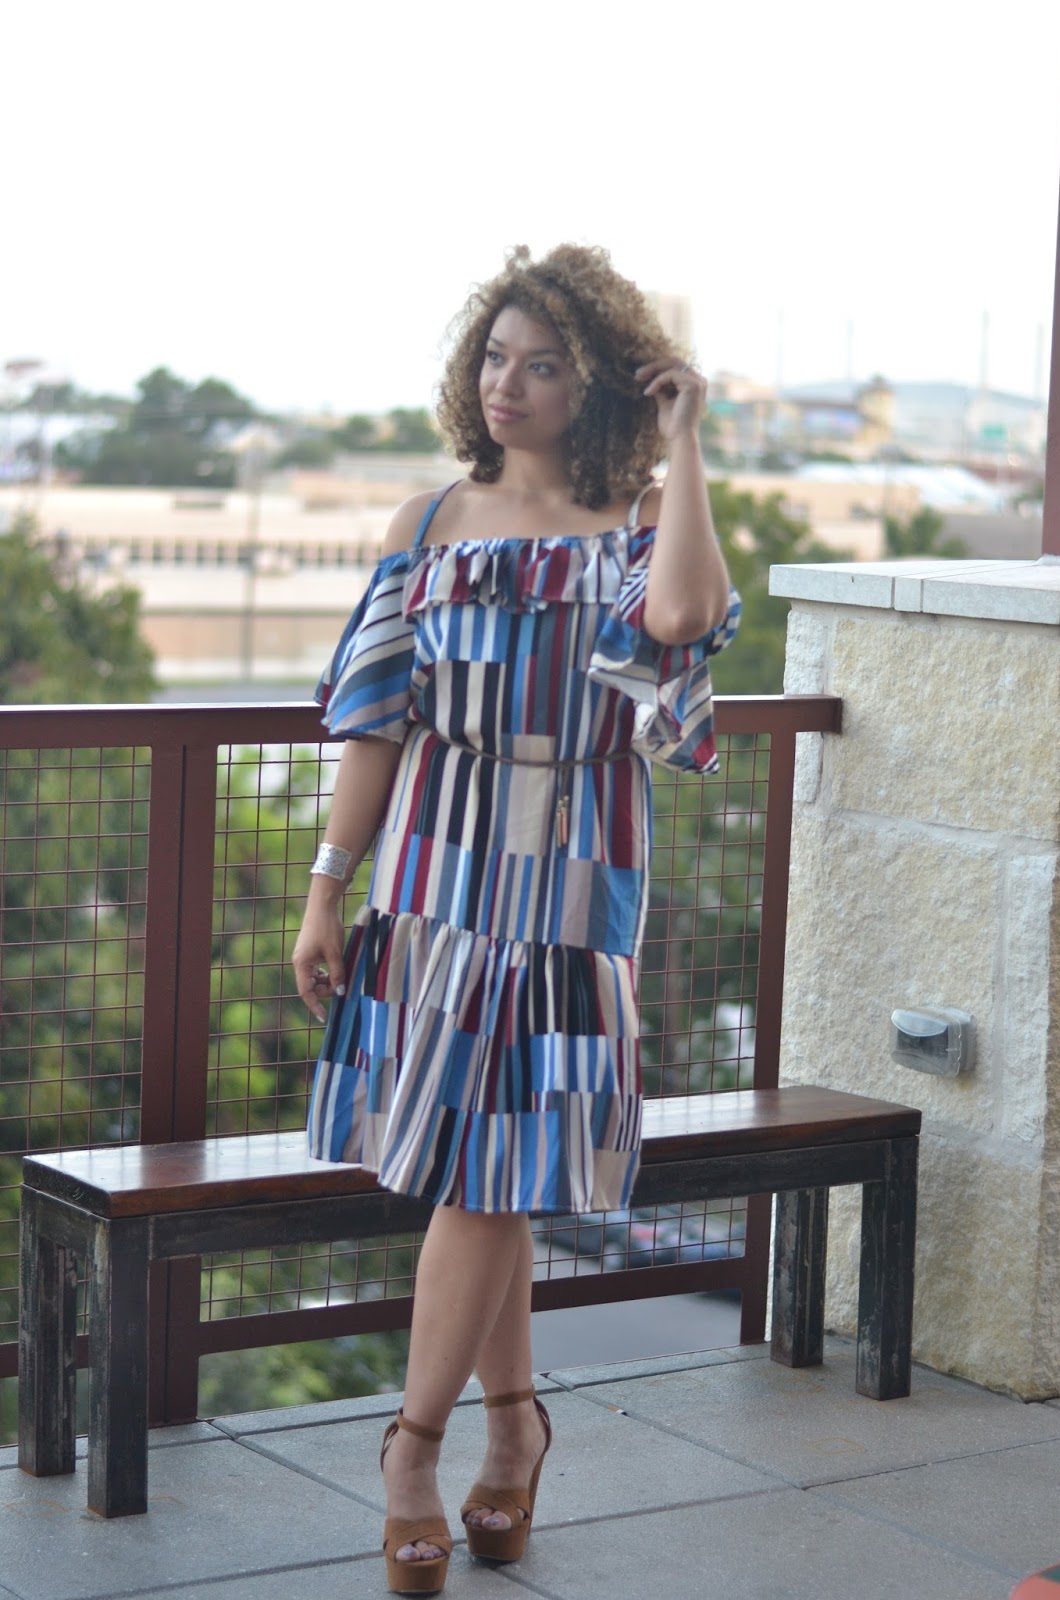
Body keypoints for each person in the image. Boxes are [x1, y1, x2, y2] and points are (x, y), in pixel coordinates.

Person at [291, 243, 739, 1595]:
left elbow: (683, 618)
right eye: (495, 355)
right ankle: (509, 1432)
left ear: (594, 383)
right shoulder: (427, 523)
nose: (509, 383)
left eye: (543, 364)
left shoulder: (637, 518)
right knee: (487, 1168)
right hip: (438, 869)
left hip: (575, 873)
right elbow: (377, 724)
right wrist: (327, 887)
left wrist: (686, 443)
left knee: (495, 1170)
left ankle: (411, 1452)